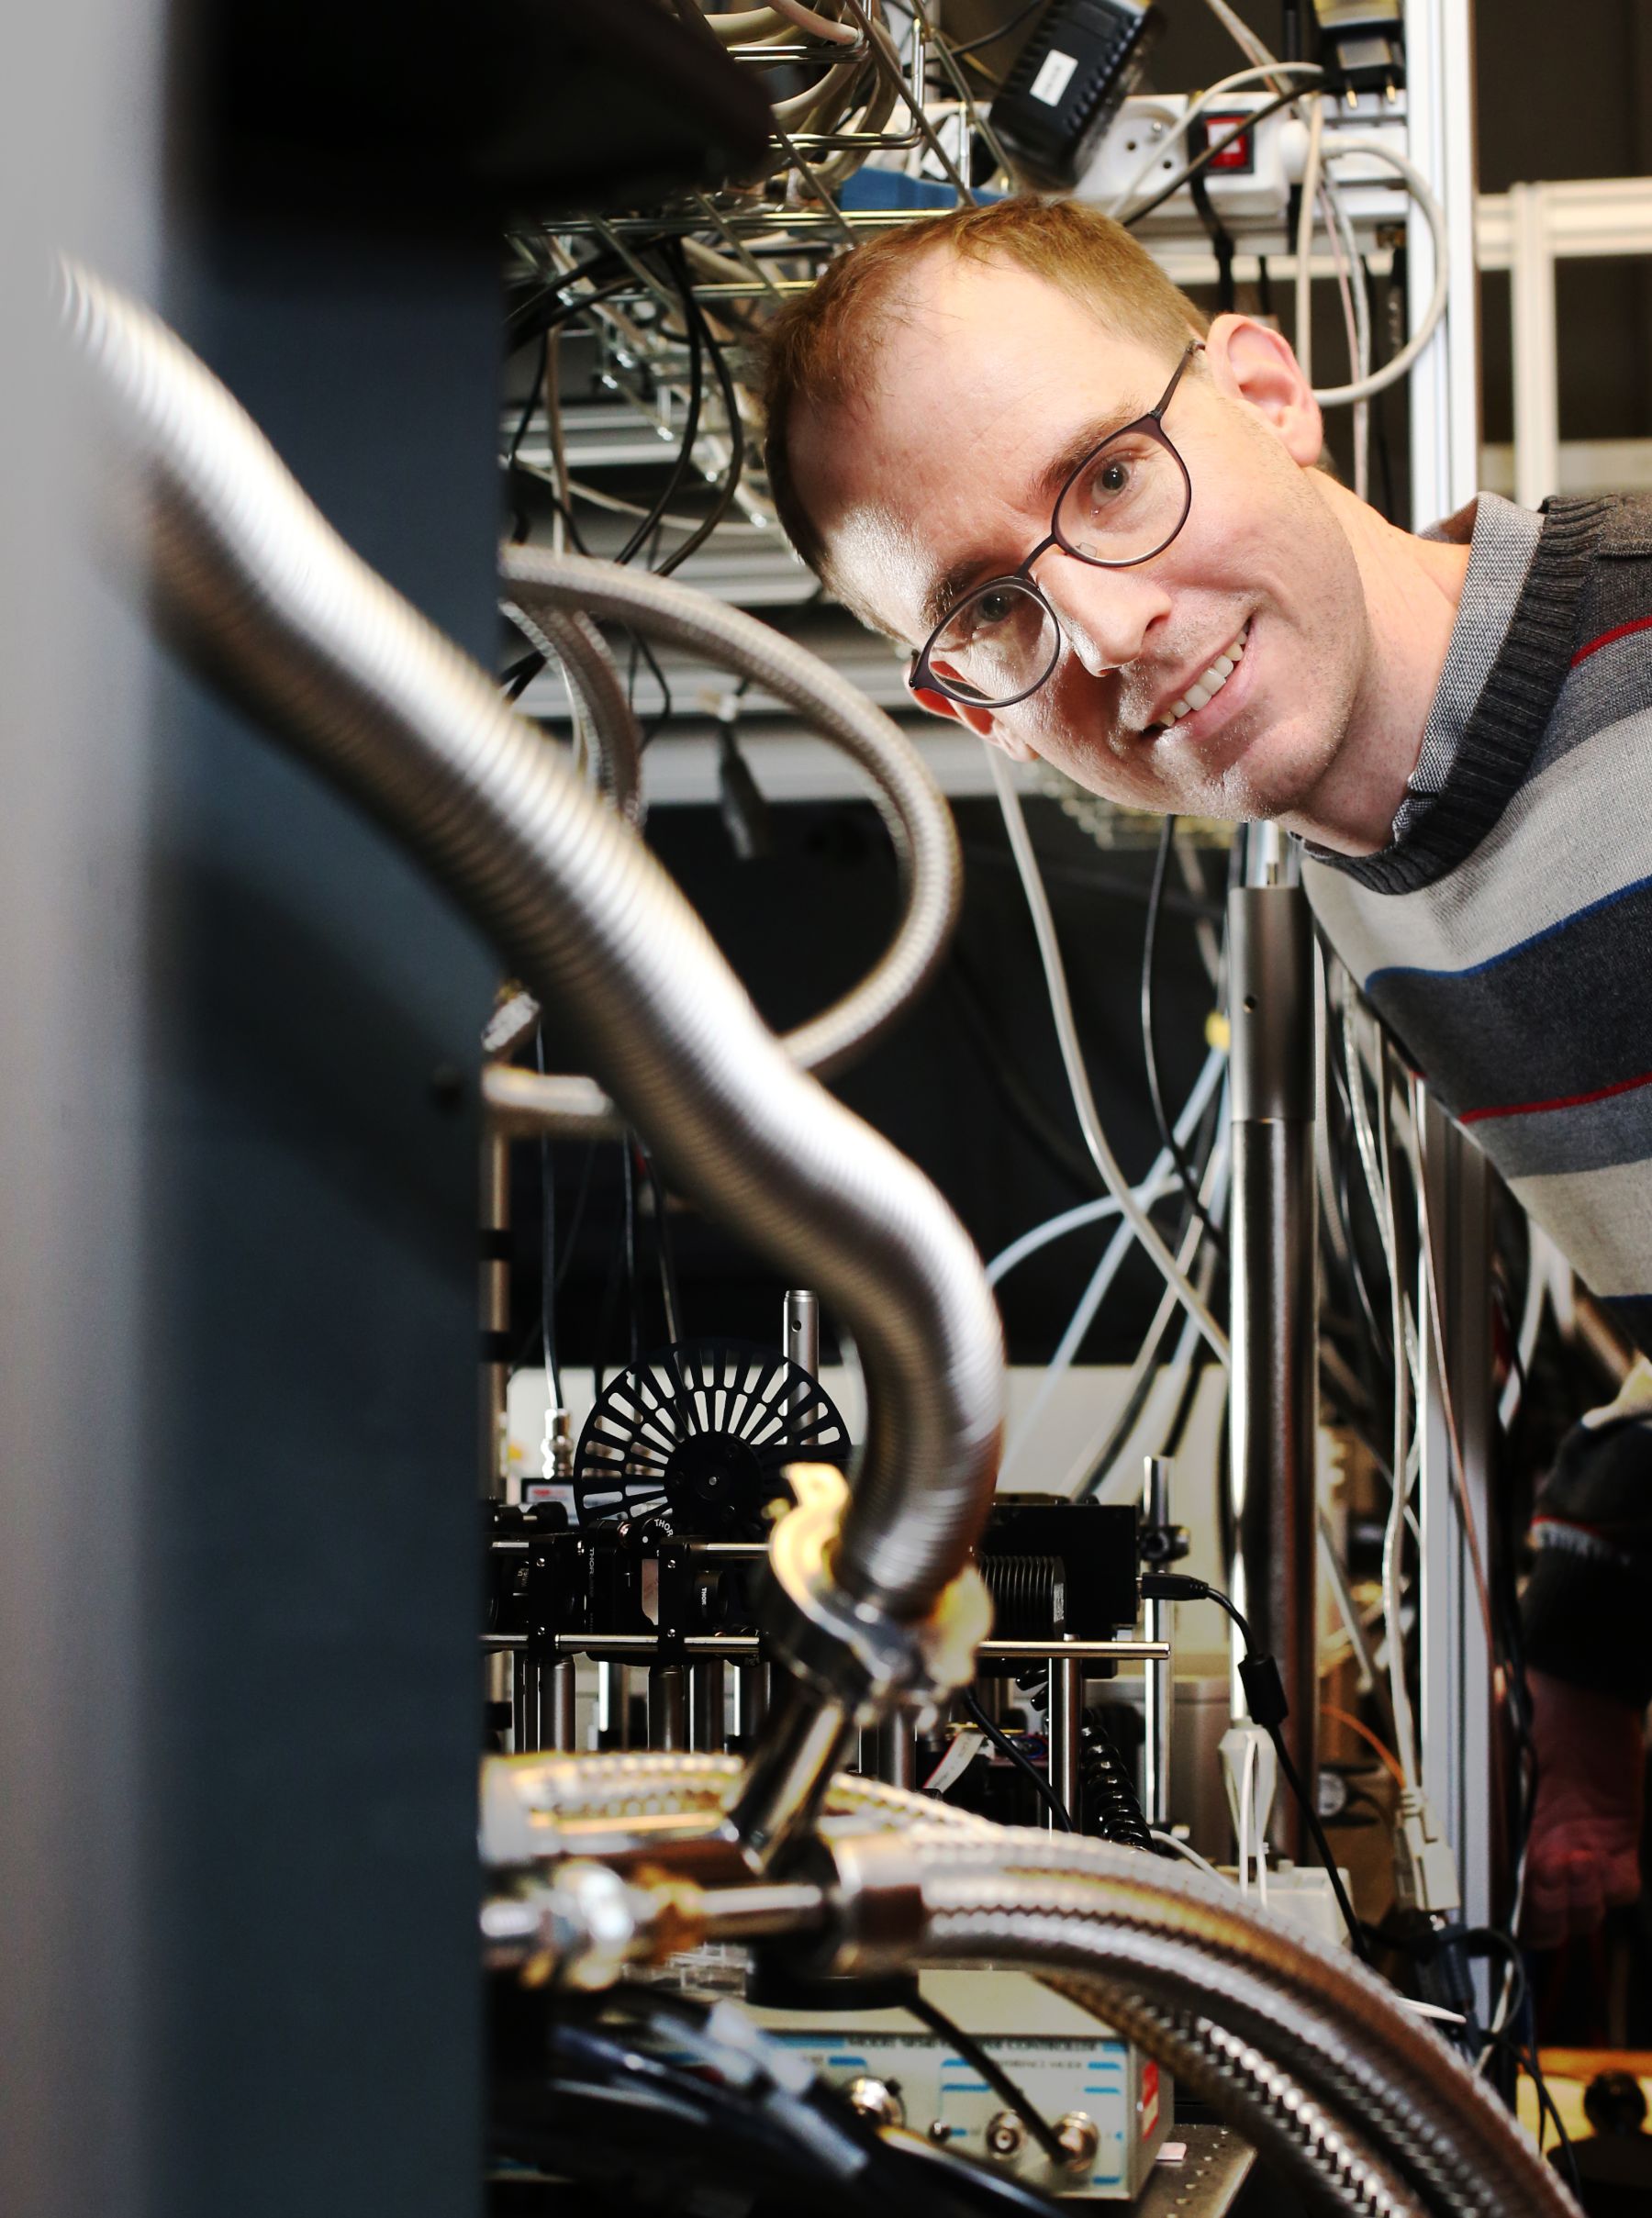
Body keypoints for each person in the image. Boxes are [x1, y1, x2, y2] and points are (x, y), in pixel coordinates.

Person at [760, 195, 1652, 1946]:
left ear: (1266, 392)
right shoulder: (1372, 868)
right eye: (991, 612)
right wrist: (1585, 1735)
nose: (1107, 636)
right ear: (973, 714)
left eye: (1109, 476)